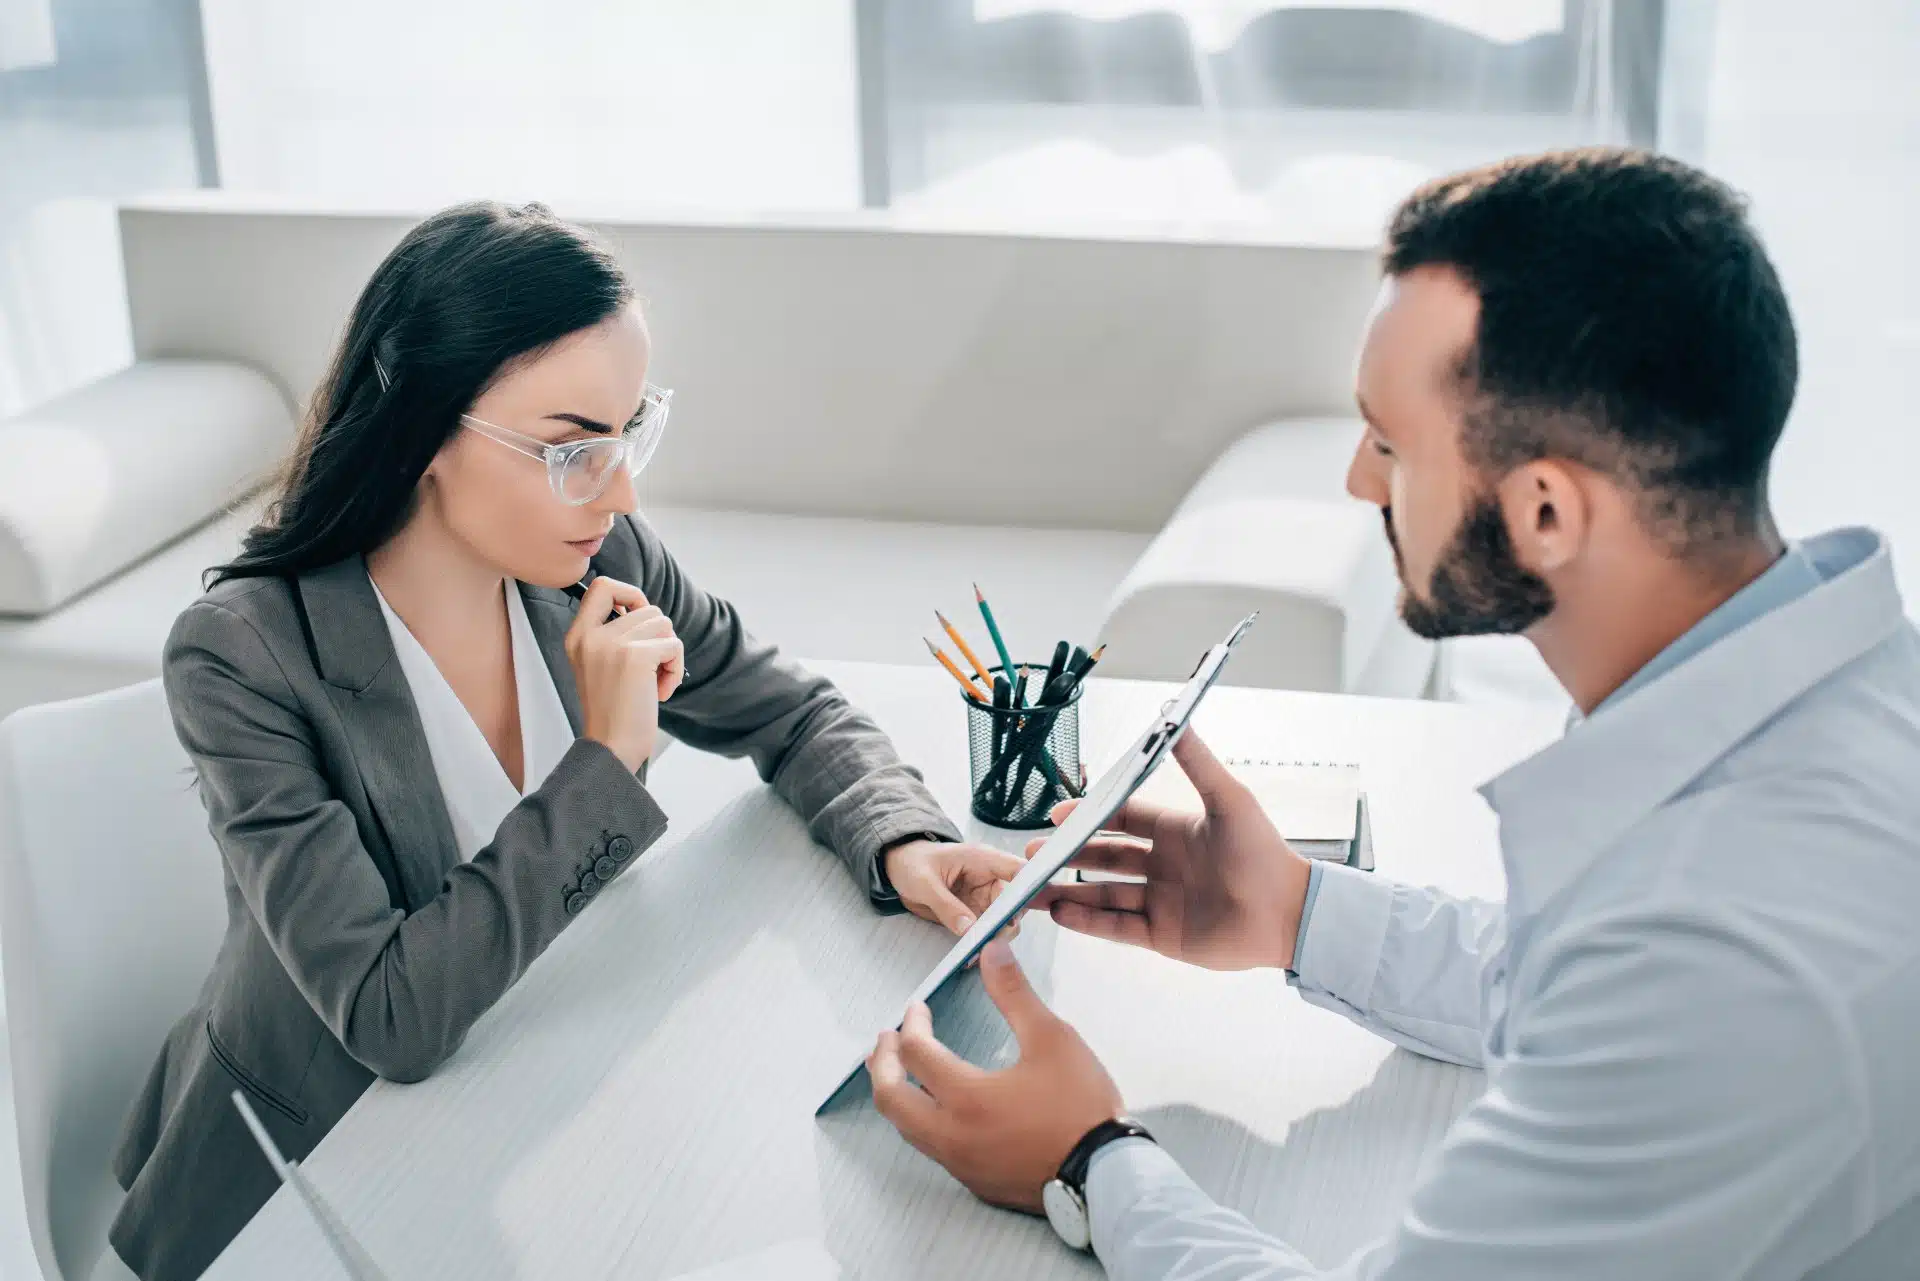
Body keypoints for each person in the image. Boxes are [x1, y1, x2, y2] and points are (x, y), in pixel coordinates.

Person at [867, 148, 1920, 1278]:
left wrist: (1087, 1160)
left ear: (1548, 510)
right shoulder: (1816, 704)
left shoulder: (1727, 953)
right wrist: (1295, 911)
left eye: (1387, 443)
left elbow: (1653, 995)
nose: (1361, 486)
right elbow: (1568, 981)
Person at [108, 201, 1023, 1281]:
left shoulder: (598, 549)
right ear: (422, 429)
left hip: (540, 1087)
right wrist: (608, 759)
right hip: (317, 1172)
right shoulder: (243, 655)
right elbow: (391, 1019)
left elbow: (791, 708)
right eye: (570, 448)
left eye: (630, 431)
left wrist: (899, 839)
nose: (622, 489)